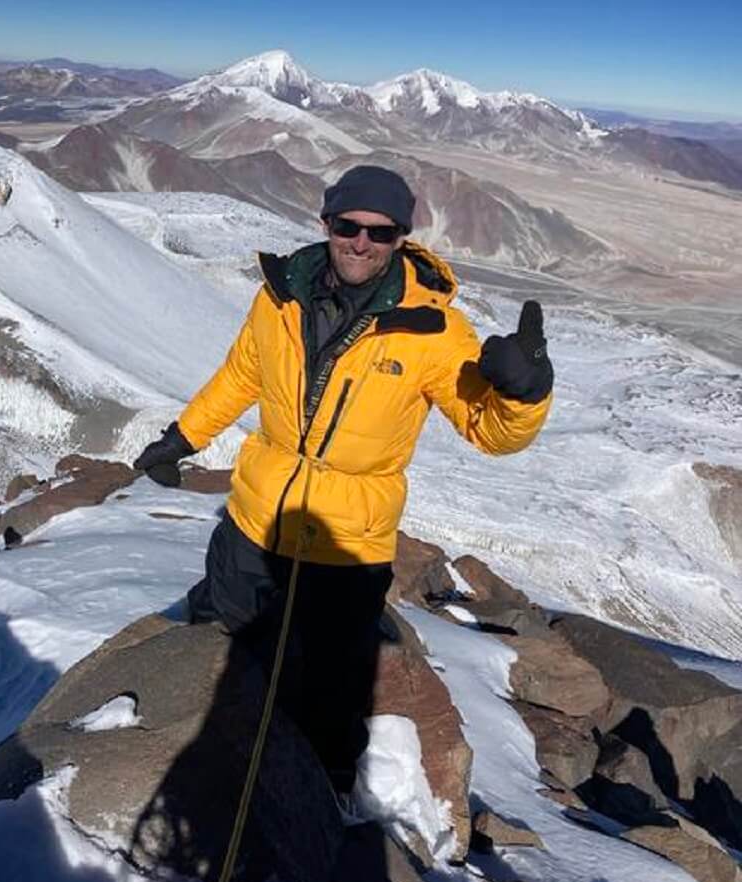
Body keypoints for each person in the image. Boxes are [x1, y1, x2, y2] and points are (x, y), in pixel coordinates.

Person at [132, 165, 553, 793]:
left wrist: (526, 393)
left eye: (380, 233)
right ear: (326, 223)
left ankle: (326, 790)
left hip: (349, 543)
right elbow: (242, 375)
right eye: (347, 225)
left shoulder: (434, 331)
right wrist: (183, 437)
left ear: (402, 238)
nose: (361, 242)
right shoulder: (280, 296)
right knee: (229, 638)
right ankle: (217, 759)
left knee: (332, 685)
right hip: (256, 519)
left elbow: (489, 431)